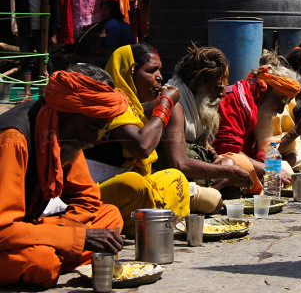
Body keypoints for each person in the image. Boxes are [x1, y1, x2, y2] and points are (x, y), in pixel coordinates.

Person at [0, 70, 126, 288]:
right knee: (42, 264)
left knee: (110, 217)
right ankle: (58, 255)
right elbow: (3, 230)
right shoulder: (12, 139)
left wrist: (68, 234)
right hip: (6, 234)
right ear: (67, 113)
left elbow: (88, 199)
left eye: (101, 129)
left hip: (28, 228)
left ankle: (57, 251)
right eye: (93, 127)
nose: (92, 140)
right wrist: (75, 239)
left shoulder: (66, 132)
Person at [84, 44, 221, 237]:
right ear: (130, 72)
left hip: (137, 190)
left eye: (159, 70)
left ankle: (155, 218)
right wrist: (165, 104)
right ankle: (153, 219)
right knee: (134, 183)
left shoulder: (134, 106)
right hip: (99, 191)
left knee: (175, 177)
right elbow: (142, 147)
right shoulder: (113, 101)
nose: (159, 77)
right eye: (150, 71)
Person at [160, 44, 259, 199]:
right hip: (170, 177)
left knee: (230, 167)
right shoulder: (175, 104)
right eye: (217, 87)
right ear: (196, 83)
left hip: (190, 171)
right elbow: (179, 163)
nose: (222, 94)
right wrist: (227, 172)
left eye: (224, 87)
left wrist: (210, 153)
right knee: (230, 170)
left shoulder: (197, 100)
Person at [213, 64, 301, 188]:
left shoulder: (256, 104)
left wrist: (267, 169)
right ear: (266, 90)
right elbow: (228, 150)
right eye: (281, 102)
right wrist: (271, 171)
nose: (281, 111)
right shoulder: (235, 99)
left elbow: (257, 149)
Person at [15, 0, 60, 100]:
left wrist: (54, 33)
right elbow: (18, 10)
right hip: (26, 29)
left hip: (44, 31)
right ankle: (27, 94)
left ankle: (49, 92)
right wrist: (18, 30)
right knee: (26, 60)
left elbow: (56, 11)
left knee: (46, 60)